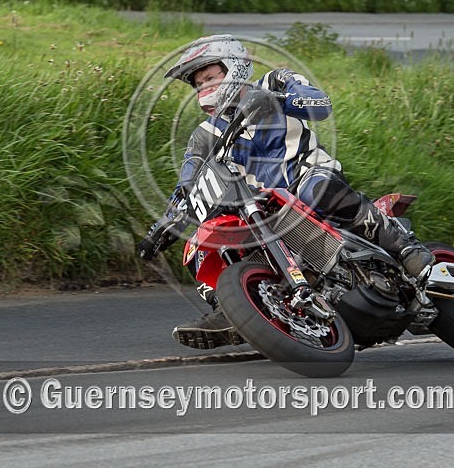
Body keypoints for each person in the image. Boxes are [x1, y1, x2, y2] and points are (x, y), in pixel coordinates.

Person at [138, 34, 434, 349]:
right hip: (264, 206)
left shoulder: (274, 80)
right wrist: (167, 222)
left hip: (309, 175)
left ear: (234, 67)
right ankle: (236, 309)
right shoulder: (205, 134)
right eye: (198, 84)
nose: (204, 88)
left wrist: (279, 100)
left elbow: (320, 104)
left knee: (311, 188)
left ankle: (405, 248)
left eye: (210, 77)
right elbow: (188, 178)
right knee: (200, 246)